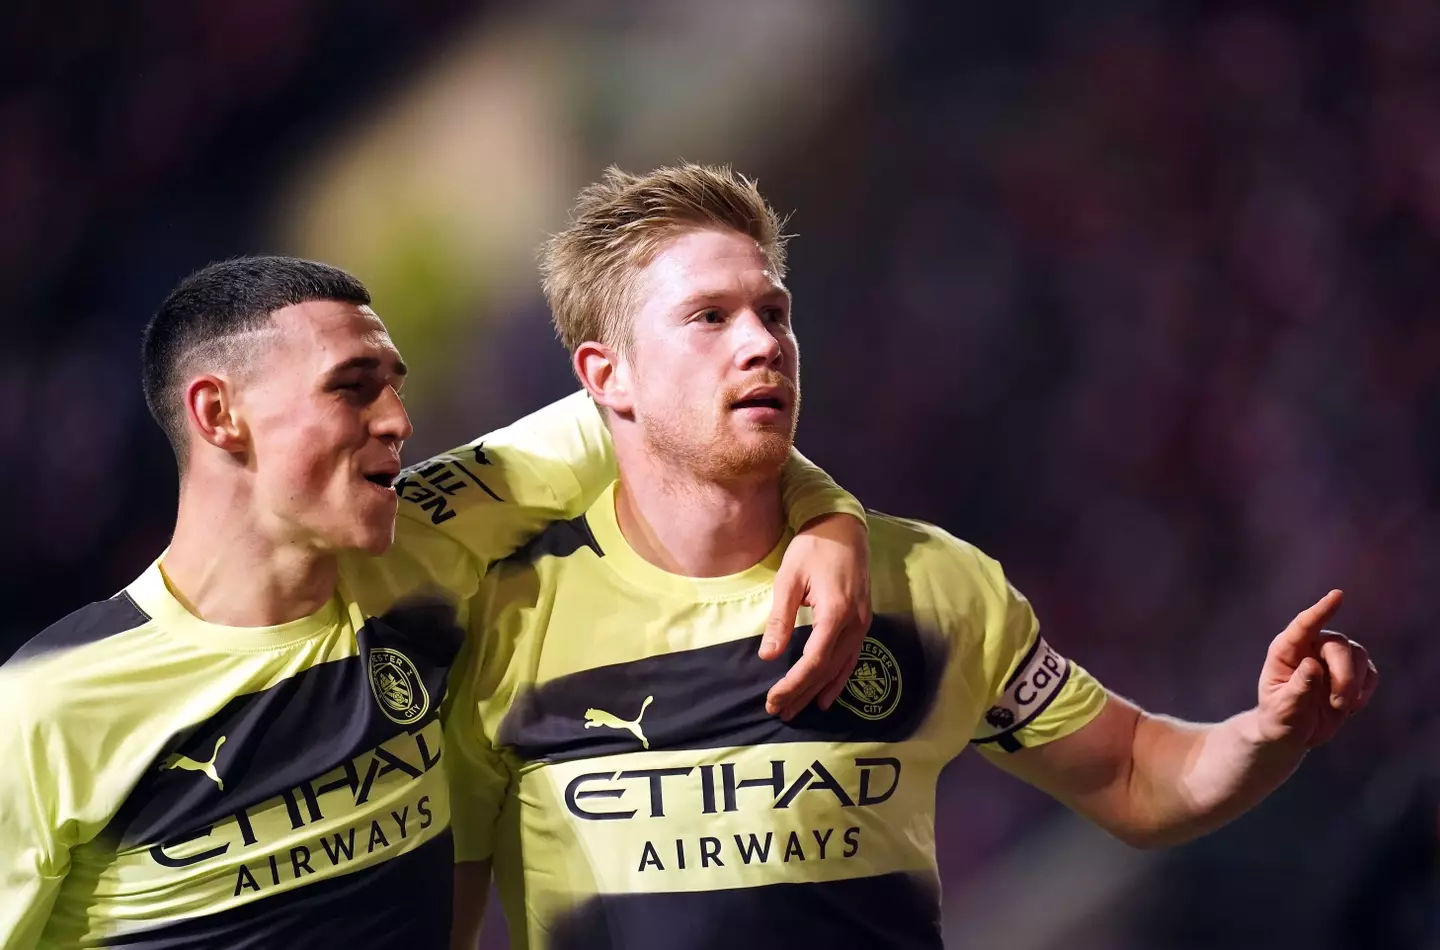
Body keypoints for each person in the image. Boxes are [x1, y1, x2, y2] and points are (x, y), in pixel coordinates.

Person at [445, 164, 1380, 949]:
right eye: (709, 318)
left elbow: (1133, 775)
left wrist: (1261, 733)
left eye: (774, 312)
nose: (762, 342)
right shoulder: (503, 623)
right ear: (607, 376)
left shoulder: (930, 583)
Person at [0, 256, 872, 949]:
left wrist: (829, 516)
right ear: (220, 414)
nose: (398, 419)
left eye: (395, 383)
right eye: (353, 386)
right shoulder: (49, 704)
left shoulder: (426, 535)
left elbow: (685, 400)